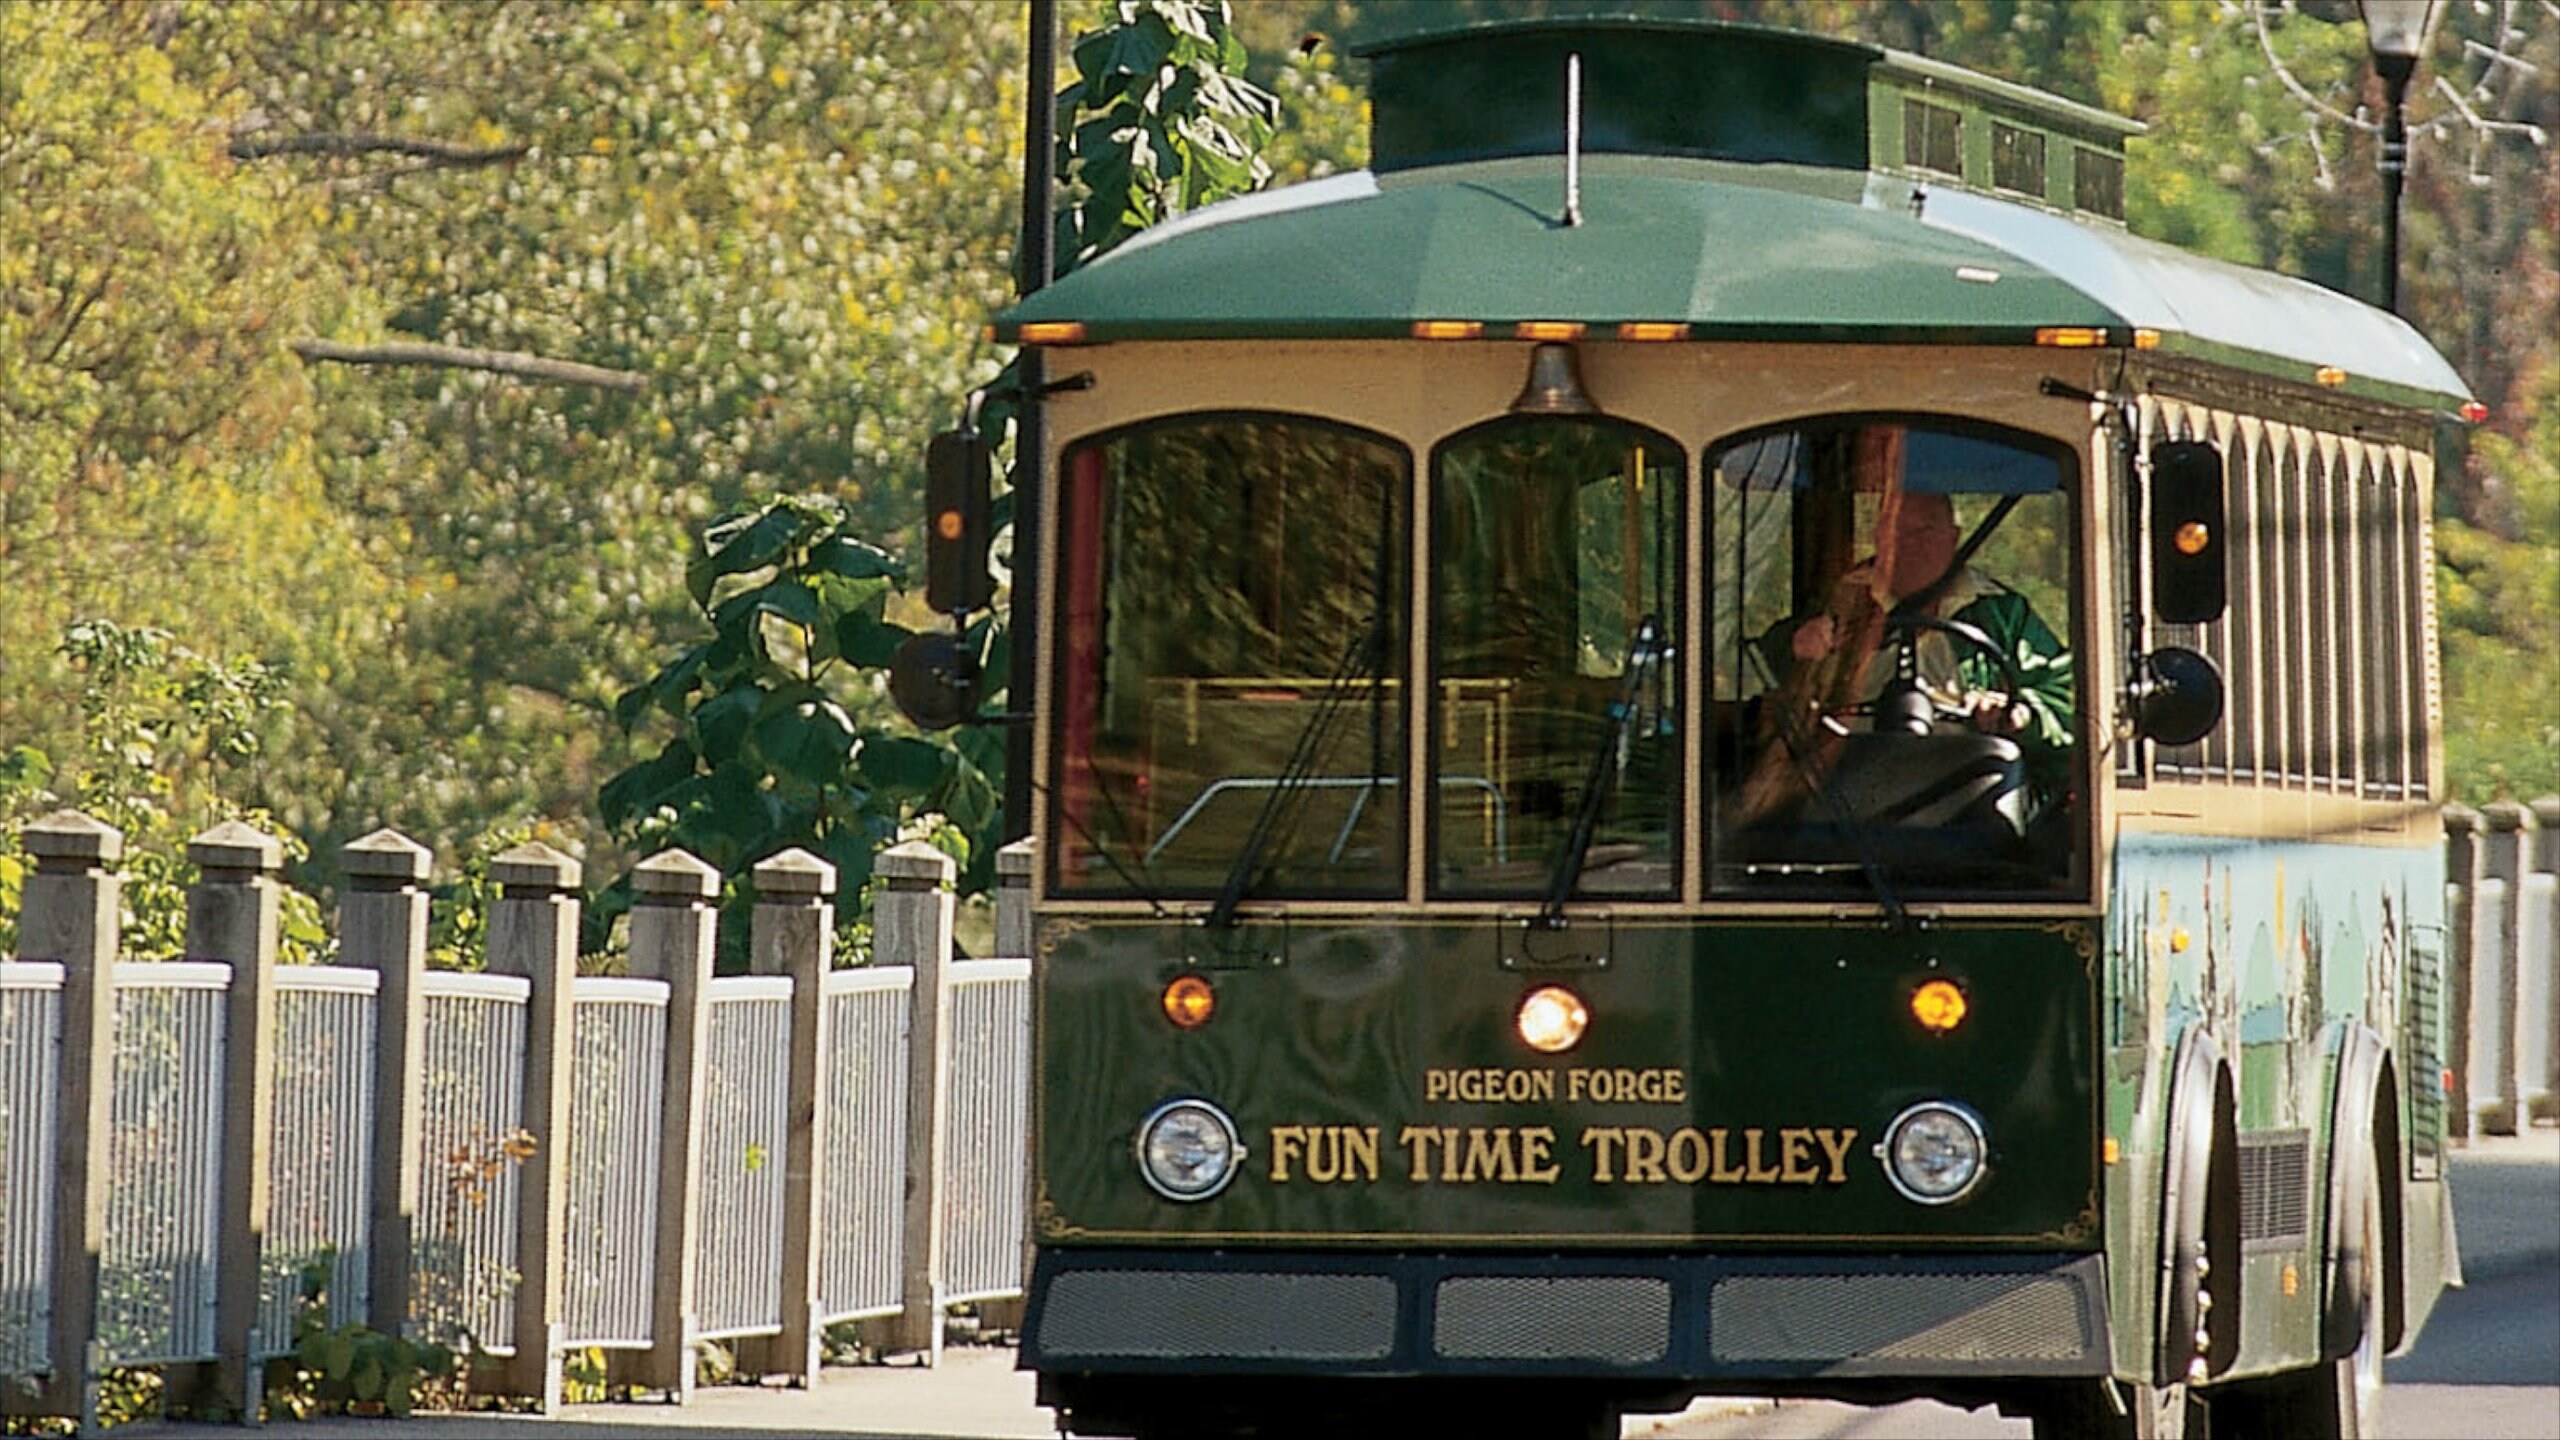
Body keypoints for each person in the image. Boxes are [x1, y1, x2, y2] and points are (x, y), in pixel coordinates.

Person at [1745, 488, 2074, 818]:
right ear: (1879, 538)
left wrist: (2022, 713)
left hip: (1972, 818)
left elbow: (2070, 704)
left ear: (1954, 538)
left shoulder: (2002, 615)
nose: (1911, 543)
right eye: (1896, 531)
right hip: (1842, 816)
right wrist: (1794, 646)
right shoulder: (1842, 601)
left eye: (1926, 529)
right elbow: (1750, 676)